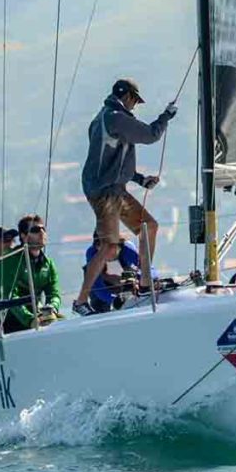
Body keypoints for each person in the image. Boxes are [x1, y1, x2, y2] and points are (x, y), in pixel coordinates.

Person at [74, 78, 177, 316]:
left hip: (113, 189)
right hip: (106, 192)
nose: (135, 106)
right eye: (135, 101)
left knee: (149, 226)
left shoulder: (102, 119)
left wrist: (140, 180)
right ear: (128, 96)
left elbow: (112, 163)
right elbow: (151, 135)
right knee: (110, 247)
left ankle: (144, 283)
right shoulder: (116, 118)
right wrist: (166, 116)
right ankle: (80, 301)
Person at [0, 214, 62, 333]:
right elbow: (10, 296)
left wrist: (52, 308)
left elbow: (54, 293)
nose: (41, 233)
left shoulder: (48, 264)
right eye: (35, 230)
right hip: (8, 320)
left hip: (36, 316)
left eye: (43, 229)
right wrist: (30, 320)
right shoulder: (9, 260)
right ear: (23, 236)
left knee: (63, 325)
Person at [84, 233, 159, 313]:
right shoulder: (91, 253)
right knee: (98, 303)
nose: (107, 254)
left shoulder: (127, 249)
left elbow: (151, 271)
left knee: (134, 277)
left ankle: (133, 294)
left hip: (126, 278)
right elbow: (96, 285)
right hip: (105, 282)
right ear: (97, 247)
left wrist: (144, 282)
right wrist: (114, 300)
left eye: (110, 249)